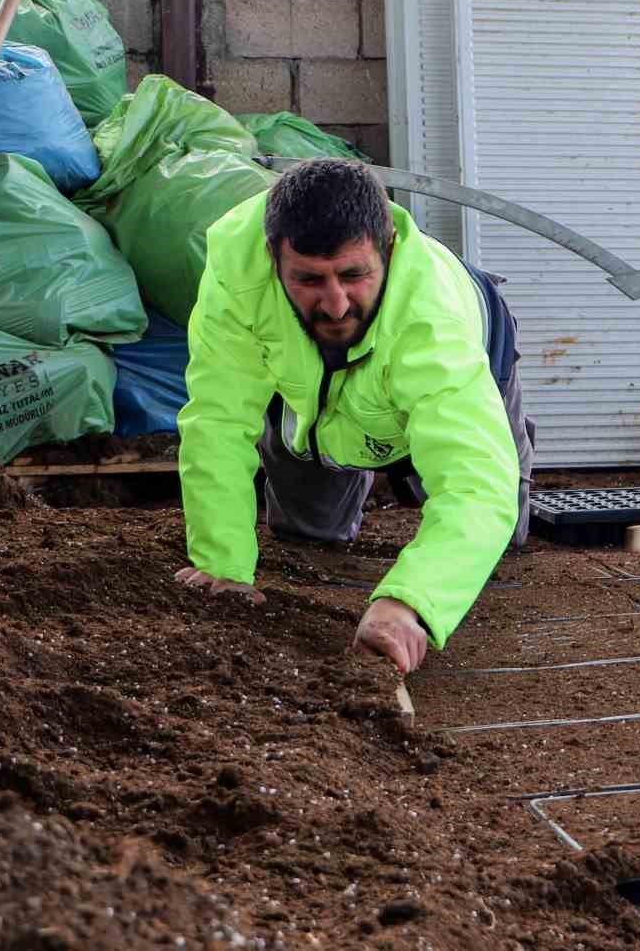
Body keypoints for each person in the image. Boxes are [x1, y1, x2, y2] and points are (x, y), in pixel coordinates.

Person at [173, 158, 534, 671]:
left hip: (452, 363)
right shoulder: (237, 272)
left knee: (499, 536)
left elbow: (476, 482)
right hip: (315, 393)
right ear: (273, 256)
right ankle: (336, 448)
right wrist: (222, 564)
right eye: (308, 279)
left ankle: (490, 441)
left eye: (353, 275)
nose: (336, 304)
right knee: (305, 533)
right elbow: (218, 418)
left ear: (388, 247)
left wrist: (408, 602)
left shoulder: (433, 324)